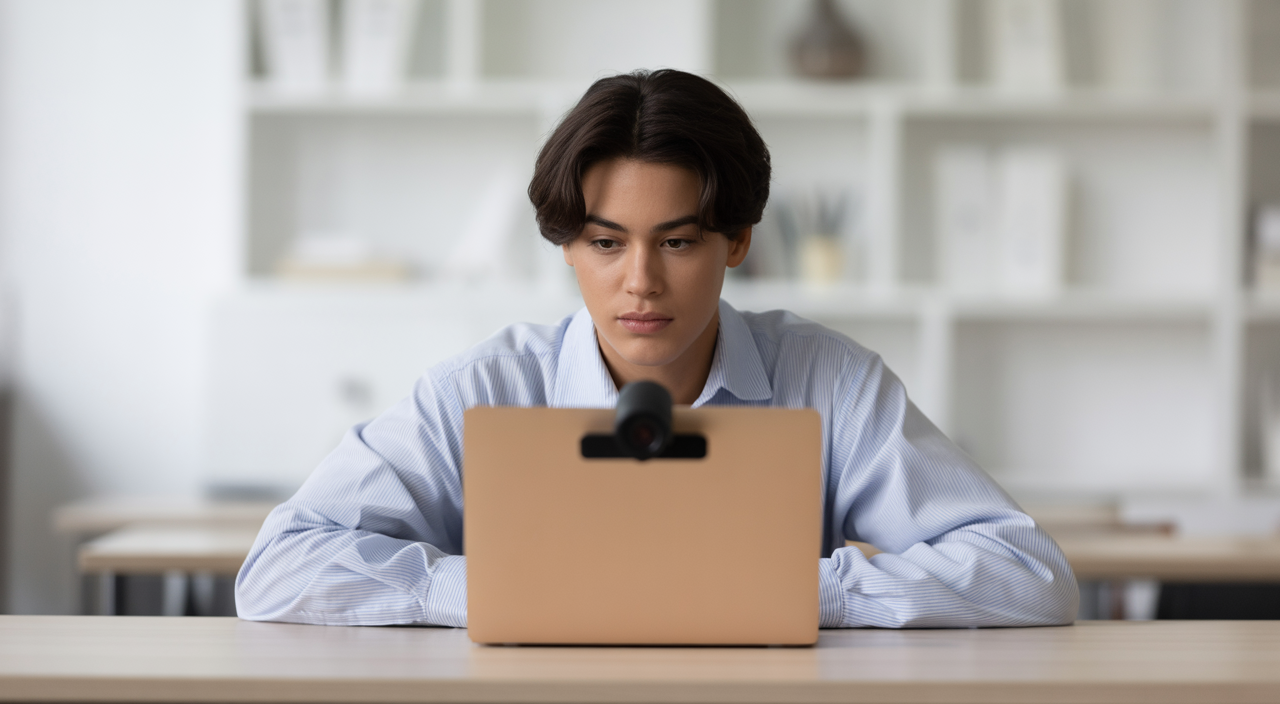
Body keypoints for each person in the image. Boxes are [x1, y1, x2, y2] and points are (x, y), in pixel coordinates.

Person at [236, 69, 1078, 628]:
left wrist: (790, 592)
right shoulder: (486, 387)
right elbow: (276, 569)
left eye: (676, 244)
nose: (639, 283)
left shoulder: (828, 379)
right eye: (606, 245)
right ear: (566, 245)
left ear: (737, 243)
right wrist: (488, 590)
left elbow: (1029, 573)